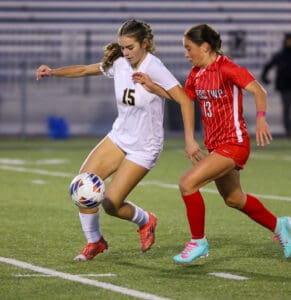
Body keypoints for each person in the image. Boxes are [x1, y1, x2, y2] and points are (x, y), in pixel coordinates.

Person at [36, 19, 196, 261]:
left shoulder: (155, 67)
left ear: (145, 44)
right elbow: (83, 70)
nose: (125, 53)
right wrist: (53, 72)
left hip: (145, 146)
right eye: (122, 47)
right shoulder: (120, 64)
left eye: (130, 47)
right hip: (119, 136)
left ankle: (145, 220)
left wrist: (189, 140)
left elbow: (184, 99)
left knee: (111, 203)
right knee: (82, 185)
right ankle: (95, 241)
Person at [134, 24, 291, 263]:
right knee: (234, 198)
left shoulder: (227, 68)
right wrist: (153, 87)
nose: (186, 54)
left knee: (188, 183)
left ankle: (198, 242)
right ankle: (281, 227)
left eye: (189, 48)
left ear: (205, 47)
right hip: (216, 146)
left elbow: (259, 91)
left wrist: (261, 120)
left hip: (234, 143)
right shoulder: (196, 74)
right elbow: (184, 99)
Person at [261, 33, 291, 137]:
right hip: (285, 87)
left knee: (287, 109)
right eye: (288, 40)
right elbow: (268, 66)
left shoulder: (280, 55)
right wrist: (265, 77)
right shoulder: (281, 55)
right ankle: (289, 132)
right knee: (286, 109)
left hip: (285, 86)